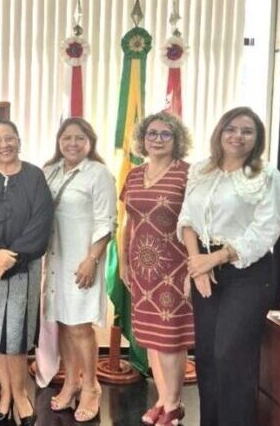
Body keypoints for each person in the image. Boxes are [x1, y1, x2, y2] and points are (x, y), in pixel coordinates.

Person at [177, 107, 280, 426]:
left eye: (247, 131)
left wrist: (214, 258)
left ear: (257, 138)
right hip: (205, 269)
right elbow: (187, 219)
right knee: (207, 356)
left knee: (231, 355)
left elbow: (266, 230)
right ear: (220, 132)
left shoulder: (266, 176)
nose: (238, 136)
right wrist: (197, 265)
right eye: (231, 129)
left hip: (248, 272)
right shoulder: (201, 170)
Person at [0, 119, 53, 426]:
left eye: (9, 138)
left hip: (23, 266)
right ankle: (4, 393)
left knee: (15, 335)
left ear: (18, 140)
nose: (3, 145)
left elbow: (41, 222)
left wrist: (9, 258)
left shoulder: (34, 176)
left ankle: (20, 394)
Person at [119, 112, 194, 425]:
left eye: (166, 134)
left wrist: (194, 267)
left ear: (177, 140)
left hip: (175, 268)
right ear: (142, 139)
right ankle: (162, 400)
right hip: (141, 268)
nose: (158, 139)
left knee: (170, 339)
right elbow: (128, 222)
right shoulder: (135, 174)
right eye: (152, 133)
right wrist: (124, 262)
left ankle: (174, 404)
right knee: (150, 337)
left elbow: (196, 224)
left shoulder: (188, 175)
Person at [43, 117, 116, 423]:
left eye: (79, 138)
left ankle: (90, 387)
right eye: (66, 138)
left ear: (90, 142)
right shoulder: (50, 170)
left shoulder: (98, 173)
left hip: (83, 260)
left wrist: (92, 259)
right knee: (62, 322)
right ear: (59, 141)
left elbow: (107, 221)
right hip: (55, 260)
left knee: (80, 327)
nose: (72, 143)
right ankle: (71, 381)